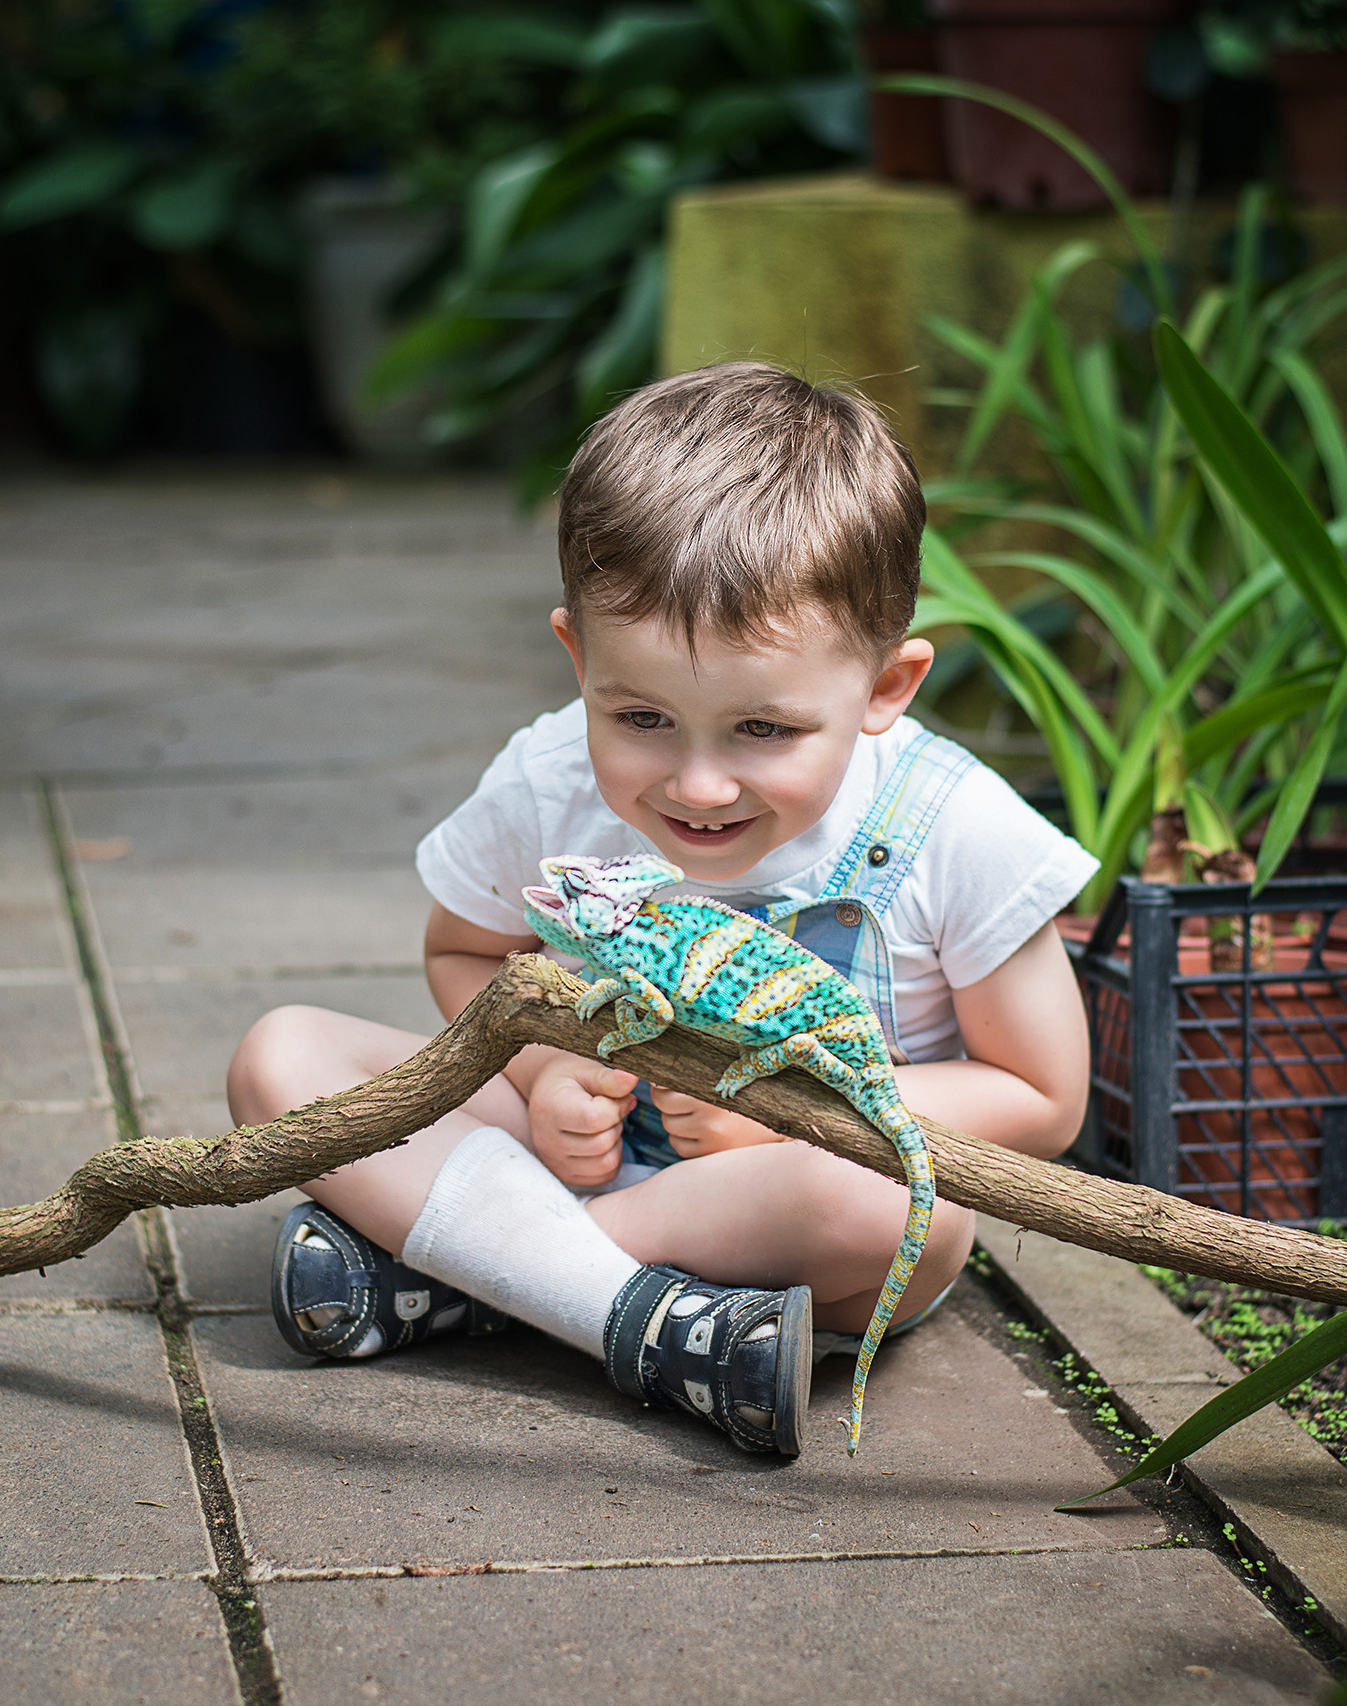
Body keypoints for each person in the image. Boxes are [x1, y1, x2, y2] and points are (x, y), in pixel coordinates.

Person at [225, 362, 1098, 1458]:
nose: (696, 785)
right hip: (570, 1153)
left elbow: (1040, 1095)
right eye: (640, 716)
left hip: (784, 1200)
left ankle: (478, 1273)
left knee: (900, 1214)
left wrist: (792, 1113)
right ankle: (653, 1321)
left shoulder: (957, 825)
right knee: (285, 1056)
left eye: (763, 730)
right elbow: (464, 950)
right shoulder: (547, 779)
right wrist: (541, 1073)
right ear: (574, 654)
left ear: (885, 686)